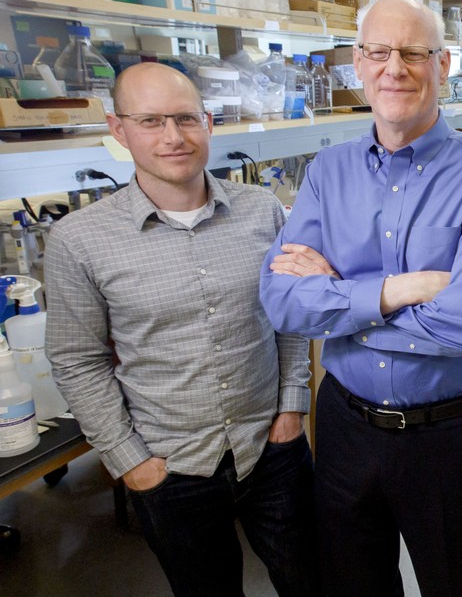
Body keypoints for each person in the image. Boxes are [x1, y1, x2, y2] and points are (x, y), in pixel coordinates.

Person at [258, 0, 462, 597]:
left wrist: (338, 304)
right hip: (345, 427)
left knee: (453, 584)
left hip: (446, 439)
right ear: (358, 62)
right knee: (356, 584)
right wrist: (403, 290)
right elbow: (282, 303)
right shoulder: (328, 172)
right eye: (379, 52)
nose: (394, 68)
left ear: (444, 62)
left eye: (413, 52)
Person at [44, 63, 316, 597]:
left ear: (208, 123)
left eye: (186, 118)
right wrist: (132, 462)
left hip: (273, 450)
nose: (173, 137)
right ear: (118, 130)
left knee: (315, 581)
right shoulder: (79, 240)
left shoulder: (261, 210)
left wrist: (292, 407)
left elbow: (290, 313)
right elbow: (78, 361)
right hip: (169, 467)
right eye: (150, 121)